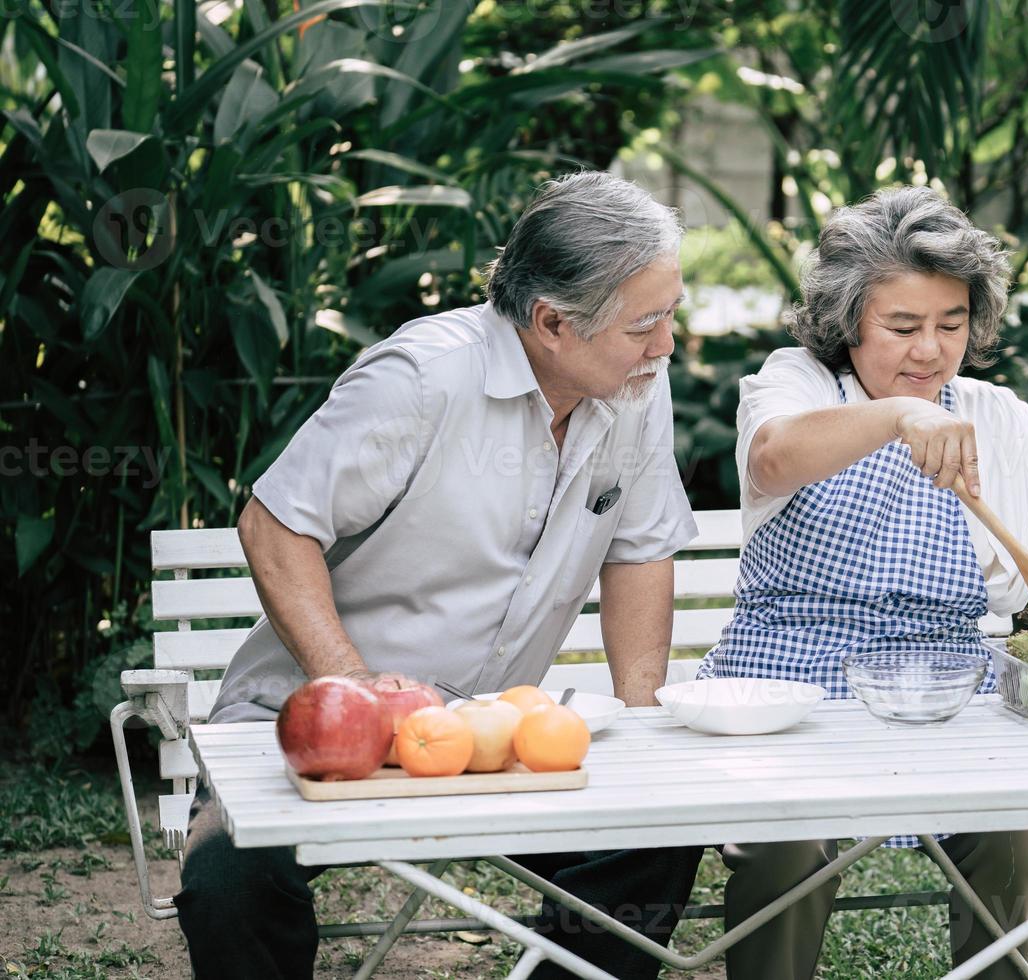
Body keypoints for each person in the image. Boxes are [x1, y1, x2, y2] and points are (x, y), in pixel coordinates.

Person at [177, 171, 705, 979]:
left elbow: (638, 547)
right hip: (316, 716)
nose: (666, 344)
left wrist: (641, 726)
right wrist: (356, 696)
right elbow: (275, 525)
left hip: (492, 732)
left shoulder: (634, 381)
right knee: (228, 871)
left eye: (668, 315)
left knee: (654, 831)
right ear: (553, 322)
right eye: (646, 325)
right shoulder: (424, 377)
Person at [702, 186, 1028, 980]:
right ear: (847, 322)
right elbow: (774, 456)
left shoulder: (995, 414)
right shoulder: (795, 383)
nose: (931, 351)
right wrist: (901, 417)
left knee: (1022, 837)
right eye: (902, 327)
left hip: (946, 691)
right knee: (786, 837)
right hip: (789, 685)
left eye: (951, 324)